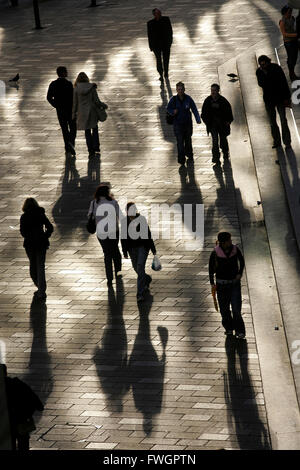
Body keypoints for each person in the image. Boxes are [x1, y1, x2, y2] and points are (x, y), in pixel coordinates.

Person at [209, 232, 246, 339]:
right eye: (229, 240)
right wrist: (212, 284)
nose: (231, 242)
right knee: (224, 309)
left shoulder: (235, 249)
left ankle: (240, 331)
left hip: (234, 284)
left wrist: (240, 273)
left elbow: (242, 261)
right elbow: (211, 270)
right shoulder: (215, 253)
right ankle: (229, 328)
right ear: (223, 243)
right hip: (221, 285)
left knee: (236, 309)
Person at [87, 185, 123, 287]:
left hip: (101, 232)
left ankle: (109, 278)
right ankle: (118, 271)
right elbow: (120, 216)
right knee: (115, 250)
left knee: (107, 253)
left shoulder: (94, 203)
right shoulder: (113, 202)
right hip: (113, 231)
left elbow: (89, 216)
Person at [121, 202, 156, 302]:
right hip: (131, 249)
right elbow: (123, 238)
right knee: (137, 269)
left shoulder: (141, 219)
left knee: (140, 267)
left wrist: (153, 250)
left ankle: (139, 294)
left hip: (142, 247)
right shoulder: (125, 222)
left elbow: (148, 235)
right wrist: (124, 251)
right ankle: (146, 279)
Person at [3, 364, 44, 451]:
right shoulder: (16, 383)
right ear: (5, 373)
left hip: (5, 425)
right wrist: (29, 413)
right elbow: (34, 399)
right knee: (23, 444)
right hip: (21, 421)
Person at [20, 198, 53, 300]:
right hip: (41, 244)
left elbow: (22, 232)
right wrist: (44, 236)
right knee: (40, 266)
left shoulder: (24, 217)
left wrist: (29, 236)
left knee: (33, 267)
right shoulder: (40, 214)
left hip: (30, 245)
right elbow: (50, 227)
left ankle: (40, 289)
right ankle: (41, 290)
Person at [256, 55, 292, 149]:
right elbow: (261, 84)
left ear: (268, 62)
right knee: (272, 122)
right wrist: (264, 74)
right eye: (261, 64)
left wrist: (287, 97)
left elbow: (283, 82)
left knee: (283, 120)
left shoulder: (276, 68)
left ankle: (287, 142)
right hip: (269, 100)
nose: (262, 66)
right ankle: (277, 141)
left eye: (264, 64)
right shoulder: (259, 72)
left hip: (279, 98)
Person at [72, 72, 108, 158]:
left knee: (87, 131)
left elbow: (75, 104)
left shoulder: (76, 89)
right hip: (92, 111)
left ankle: (90, 150)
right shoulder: (91, 87)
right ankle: (96, 147)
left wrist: (73, 114)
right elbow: (96, 101)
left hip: (82, 113)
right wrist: (103, 105)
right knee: (95, 129)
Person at [167, 82, 201, 165]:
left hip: (187, 124)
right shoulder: (173, 99)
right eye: (179, 89)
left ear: (184, 89)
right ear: (176, 90)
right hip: (178, 125)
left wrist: (198, 119)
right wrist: (173, 112)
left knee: (188, 141)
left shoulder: (188, 99)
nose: (180, 91)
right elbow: (168, 108)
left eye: (182, 89)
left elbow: (194, 109)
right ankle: (181, 159)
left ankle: (189, 154)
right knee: (180, 142)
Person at [47, 66, 76, 156]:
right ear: (63, 73)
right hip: (70, 110)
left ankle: (67, 147)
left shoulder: (53, 84)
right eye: (66, 71)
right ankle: (71, 143)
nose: (67, 73)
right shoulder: (68, 84)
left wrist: (56, 105)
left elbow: (48, 97)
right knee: (73, 128)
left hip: (60, 111)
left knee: (64, 129)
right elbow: (73, 97)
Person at [201, 84, 233, 164]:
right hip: (212, 125)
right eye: (212, 90)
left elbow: (229, 112)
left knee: (223, 140)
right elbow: (203, 113)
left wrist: (228, 121)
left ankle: (225, 152)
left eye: (214, 90)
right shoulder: (208, 100)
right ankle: (215, 158)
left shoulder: (223, 101)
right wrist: (206, 122)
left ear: (218, 91)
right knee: (215, 141)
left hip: (222, 125)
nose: (213, 92)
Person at [147, 8, 173, 80]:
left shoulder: (166, 19)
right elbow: (149, 35)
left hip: (165, 44)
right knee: (158, 60)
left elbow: (170, 31)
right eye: (157, 13)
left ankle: (166, 73)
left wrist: (170, 41)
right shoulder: (150, 23)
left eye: (159, 13)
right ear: (154, 15)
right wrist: (151, 46)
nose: (159, 14)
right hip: (156, 45)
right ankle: (161, 74)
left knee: (166, 59)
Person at [279, 5, 299, 81]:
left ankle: (292, 72)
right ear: (284, 13)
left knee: (294, 57)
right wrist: (296, 35)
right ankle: (291, 73)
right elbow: (284, 34)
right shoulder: (282, 22)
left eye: (290, 11)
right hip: (288, 42)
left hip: (294, 41)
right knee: (291, 58)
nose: (290, 13)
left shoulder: (292, 18)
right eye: (289, 12)